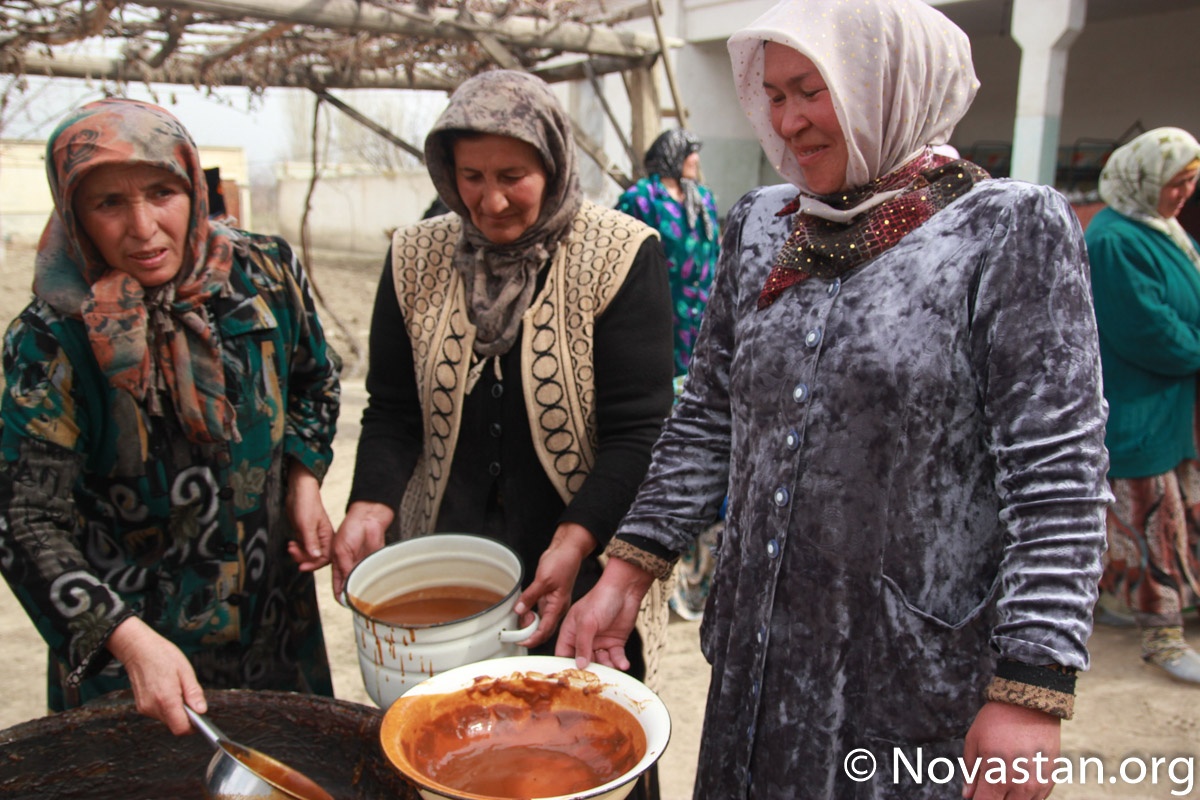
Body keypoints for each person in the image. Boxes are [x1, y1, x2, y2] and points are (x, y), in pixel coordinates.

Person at [556, 1, 1111, 798]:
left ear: (886, 84)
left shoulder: (1004, 231)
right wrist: (626, 570)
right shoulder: (760, 226)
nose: (787, 120)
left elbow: (1057, 475)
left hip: (908, 677)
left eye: (811, 89)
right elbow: (711, 413)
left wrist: (1032, 686)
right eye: (774, 95)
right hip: (758, 666)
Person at [331, 67, 673, 709]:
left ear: (552, 161)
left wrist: (574, 543)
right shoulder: (413, 257)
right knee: (450, 739)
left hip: (577, 568)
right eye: (472, 177)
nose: (490, 202)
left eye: (513, 176)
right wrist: (369, 505)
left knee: (576, 742)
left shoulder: (622, 254)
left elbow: (640, 432)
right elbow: (393, 412)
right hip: (446, 572)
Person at [0, 98, 341, 736]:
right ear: (73, 213)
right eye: (108, 204)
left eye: (162, 192)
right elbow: (23, 518)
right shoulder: (53, 340)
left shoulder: (263, 274)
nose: (143, 227)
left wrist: (302, 477)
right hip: (139, 657)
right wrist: (125, 641)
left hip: (274, 625)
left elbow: (313, 381)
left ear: (192, 183)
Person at [1087, 127, 1200, 683]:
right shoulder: (1114, 241)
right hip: (1136, 401)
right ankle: (1163, 635)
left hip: (1168, 405)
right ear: (1144, 179)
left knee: (1149, 515)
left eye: (1190, 183)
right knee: (1153, 516)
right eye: (1174, 183)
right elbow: (1146, 329)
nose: (1182, 194)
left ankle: (1118, 603)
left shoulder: (1161, 228)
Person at [616, 129, 722, 621]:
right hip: (659, 321)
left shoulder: (704, 200)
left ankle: (697, 578)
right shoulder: (640, 199)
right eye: (691, 152)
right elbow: (623, 256)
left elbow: (719, 256)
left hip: (702, 324)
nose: (697, 161)